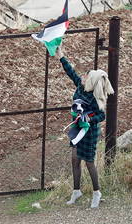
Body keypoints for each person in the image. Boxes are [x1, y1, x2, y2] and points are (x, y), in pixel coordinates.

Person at [56, 45, 114, 208]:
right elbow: (71, 72)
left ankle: (97, 192)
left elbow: (101, 116)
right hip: (77, 129)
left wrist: (88, 118)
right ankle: (76, 191)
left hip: (89, 132)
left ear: (91, 81)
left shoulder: (96, 98)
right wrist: (61, 56)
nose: (82, 76)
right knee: (75, 159)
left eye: (86, 76)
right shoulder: (81, 87)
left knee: (89, 162)